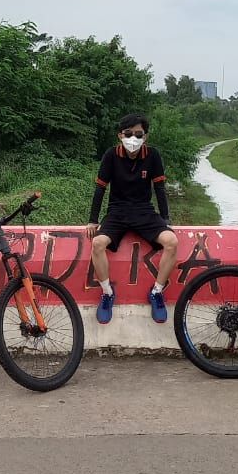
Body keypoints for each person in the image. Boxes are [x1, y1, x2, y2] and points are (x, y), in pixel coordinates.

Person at [86, 113, 179, 325]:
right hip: (117, 211)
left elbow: (160, 188)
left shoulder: (152, 156)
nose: (133, 138)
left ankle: (156, 292)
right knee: (98, 243)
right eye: (128, 133)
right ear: (120, 135)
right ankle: (108, 293)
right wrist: (93, 220)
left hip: (144, 211)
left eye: (139, 134)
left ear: (145, 136)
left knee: (171, 242)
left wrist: (166, 219)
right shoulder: (111, 155)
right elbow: (100, 188)